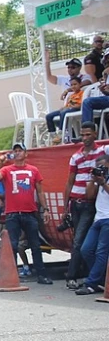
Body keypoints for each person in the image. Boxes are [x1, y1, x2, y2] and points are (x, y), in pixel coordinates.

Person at [0, 142, 52, 285]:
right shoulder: (7, 170)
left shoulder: (33, 170)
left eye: (20, 150)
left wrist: (45, 209)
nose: (17, 153)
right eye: (15, 151)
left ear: (25, 153)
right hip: (13, 213)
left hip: (30, 212)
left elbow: (40, 191)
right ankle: (12, 274)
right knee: (13, 245)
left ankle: (41, 275)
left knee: (35, 244)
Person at [62, 122, 105, 289]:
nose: (85, 138)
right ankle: (84, 276)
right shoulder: (76, 156)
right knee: (80, 241)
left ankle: (73, 276)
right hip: (76, 202)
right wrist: (65, 208)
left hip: (90, 203)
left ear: (95, 134)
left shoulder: (102, 152)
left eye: (88, 134)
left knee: (81, 241)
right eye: (83, 135)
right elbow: (69, 182)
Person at [76, 153, 109, 295]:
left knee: (101, 251)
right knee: (86, 249)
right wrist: (93, 179)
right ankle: (100, 279)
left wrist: (103, 182)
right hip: (98, 218)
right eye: (98, 167)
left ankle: (91, 283)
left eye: (103, 167)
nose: (101, 169)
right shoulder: (99, 179)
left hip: (108, 219)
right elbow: (89, 196)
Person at [46, 77, 83, 143]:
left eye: (75, 84)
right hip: (67, 109)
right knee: (49, 116)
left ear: (80, 84)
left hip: (75, 109)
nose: (73, 86)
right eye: (71, 85)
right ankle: (53, 135)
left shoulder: (82, 93)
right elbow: (67, 105)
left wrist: (70, 107)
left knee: (63, 113)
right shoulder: (71, 95)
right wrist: (64, 107)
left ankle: (61, 132)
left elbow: (80, 105)